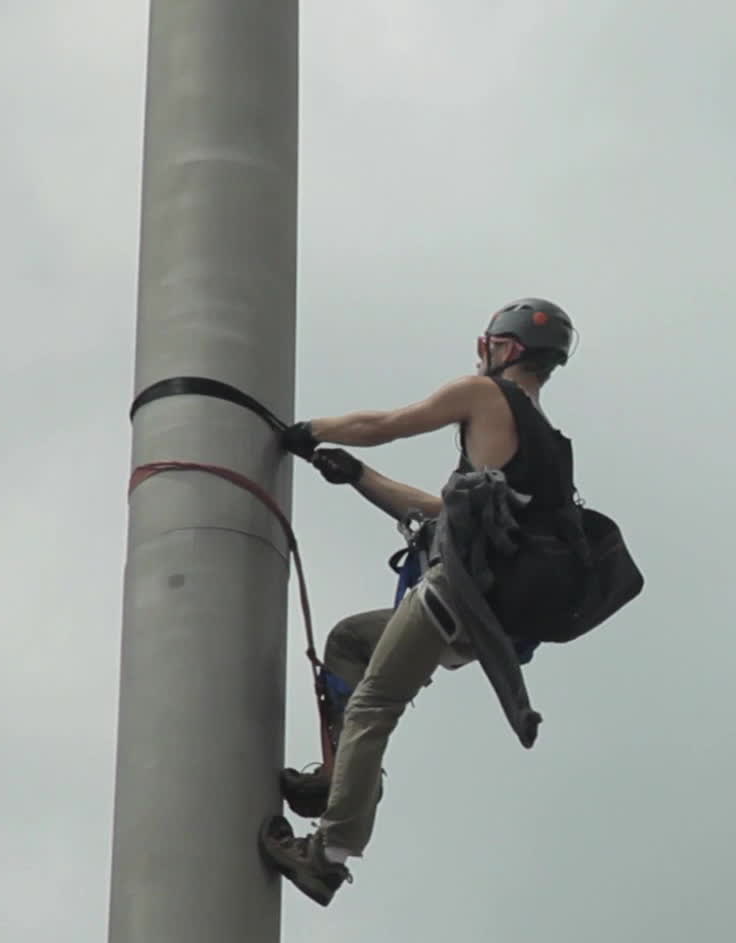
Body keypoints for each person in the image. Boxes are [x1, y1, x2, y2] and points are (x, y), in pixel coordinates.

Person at [258, 297, 640, 906]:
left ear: (506, 348)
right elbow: (440, 513)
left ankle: (327, 854)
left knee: (375, 707)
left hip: (453, 598)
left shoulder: (483, 396)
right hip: (486, 612)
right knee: (353, 640)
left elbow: (386, 423)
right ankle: (339, 778)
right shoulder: (544, 443)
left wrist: (304, 432)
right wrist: (355, 475)